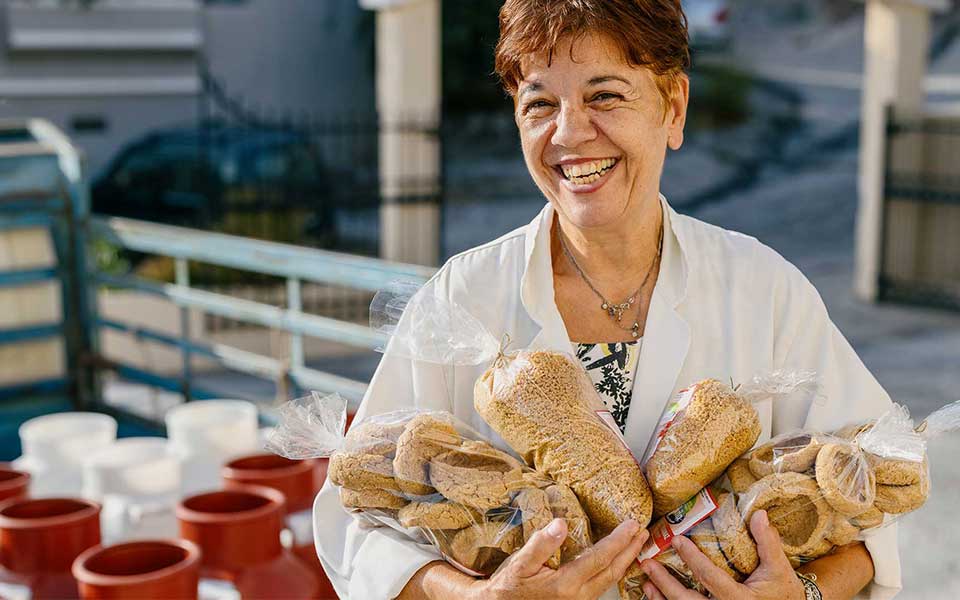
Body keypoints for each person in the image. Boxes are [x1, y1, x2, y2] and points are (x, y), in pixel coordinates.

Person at [312, 1, 901, 598]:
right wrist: (469, 595)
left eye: (606, 96)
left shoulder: (763, 288)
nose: (569, 133)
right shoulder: (464, 297)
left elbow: (876, 497)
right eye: (540, 104)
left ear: (673, 108)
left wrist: (804, 592)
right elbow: (356, 517)